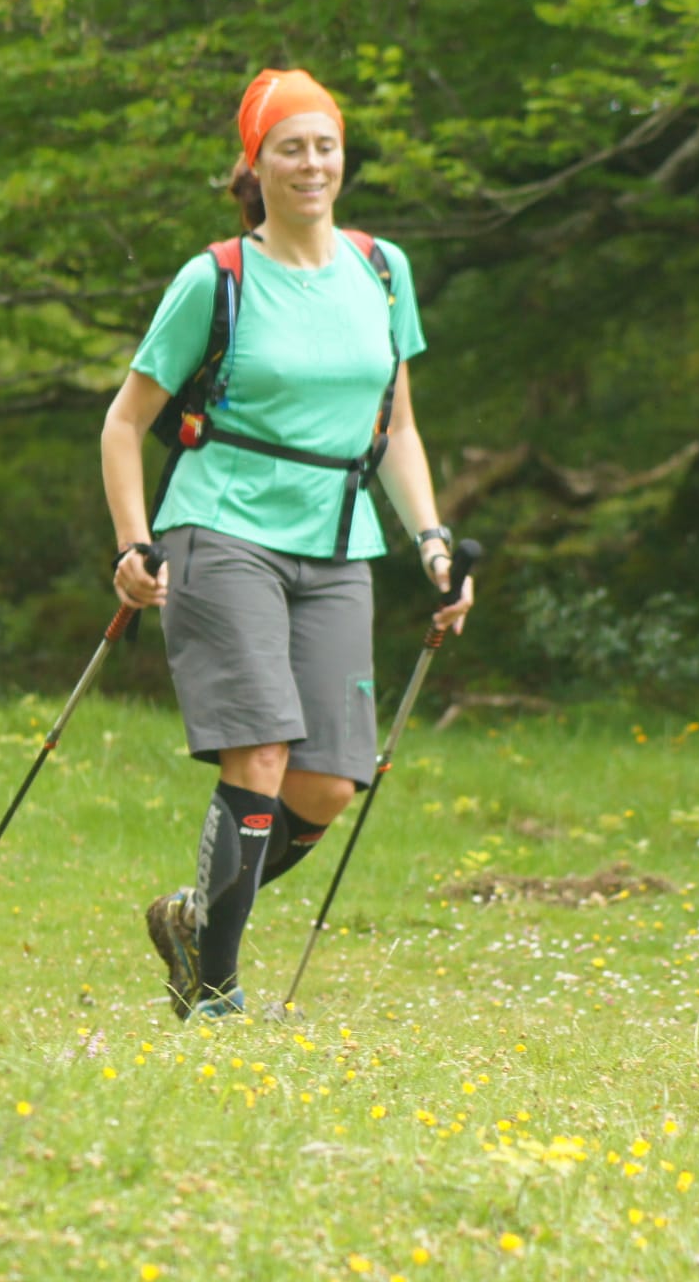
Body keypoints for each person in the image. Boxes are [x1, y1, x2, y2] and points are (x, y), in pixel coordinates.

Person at [100, 68, 475, 1021]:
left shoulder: (382, 270)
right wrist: (135, 543)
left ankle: (195, 919)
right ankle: (215, 994)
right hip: (222, 528)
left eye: (324, 145)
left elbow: (395, 428)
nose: (310, 163)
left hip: (338, 540)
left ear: (342, 157)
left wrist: (429, 539)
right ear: (254, 162)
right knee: (261, 751)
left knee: (328, 783)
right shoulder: (215, 277)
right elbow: (123, 421)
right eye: (289, 146)